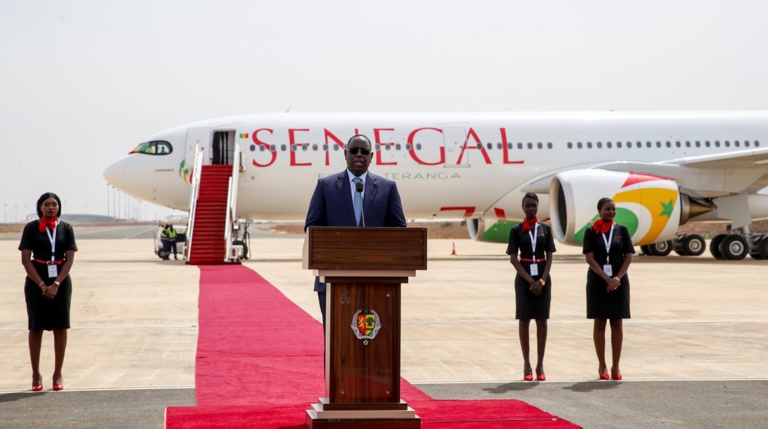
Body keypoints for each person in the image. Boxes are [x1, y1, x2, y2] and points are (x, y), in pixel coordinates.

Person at [304, 134, 407, 327]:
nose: (359, 155)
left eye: (364, 151)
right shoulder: (326, 186)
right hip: (333, 279)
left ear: (371, 156)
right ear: (345, 154)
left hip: (378, 281)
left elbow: (399, 229)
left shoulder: (388, 188)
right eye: (354, 150)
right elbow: (311, 227)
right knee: (336, 337)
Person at [19, 192, 77, 392]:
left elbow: (69, 258)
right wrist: (43, 285)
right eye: (47, 204)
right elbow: (26, 259)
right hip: (37, 279)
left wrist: (56, 284)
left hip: (60, 279)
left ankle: (57, 373)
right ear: (40, 207)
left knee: (61, 327)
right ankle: (36, 373)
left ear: (59, 207)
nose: (51, 207)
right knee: (36, 327)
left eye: (54, 204)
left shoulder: (66, 228)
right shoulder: (31, 228)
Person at [582, 197, 634, 380]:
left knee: (617, 323)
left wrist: (617, 278)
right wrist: (606, 279)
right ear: (599, 211)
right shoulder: (590, 231)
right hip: (598, 282)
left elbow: (628, 256)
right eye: (607, 209)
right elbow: (590, 258)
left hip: (619, 281)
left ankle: (616, 366)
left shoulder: (622, 230)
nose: (611, 212)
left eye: (613, 209)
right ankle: (602, 365)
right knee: (600, 322)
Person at [506, 193, 556, 381]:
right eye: (528, 206)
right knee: (524, 319)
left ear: (537, 207)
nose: (531, 209)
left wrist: (541, 281)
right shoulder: (517, 230)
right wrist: (530, 281)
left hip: (543, 278)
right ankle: (526, 364)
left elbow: (550, 255)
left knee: (542, 320)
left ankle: (540, 365)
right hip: (524, 278)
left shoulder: (545, 228)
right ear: (523, 207)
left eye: (534, 206)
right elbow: (513, 258)